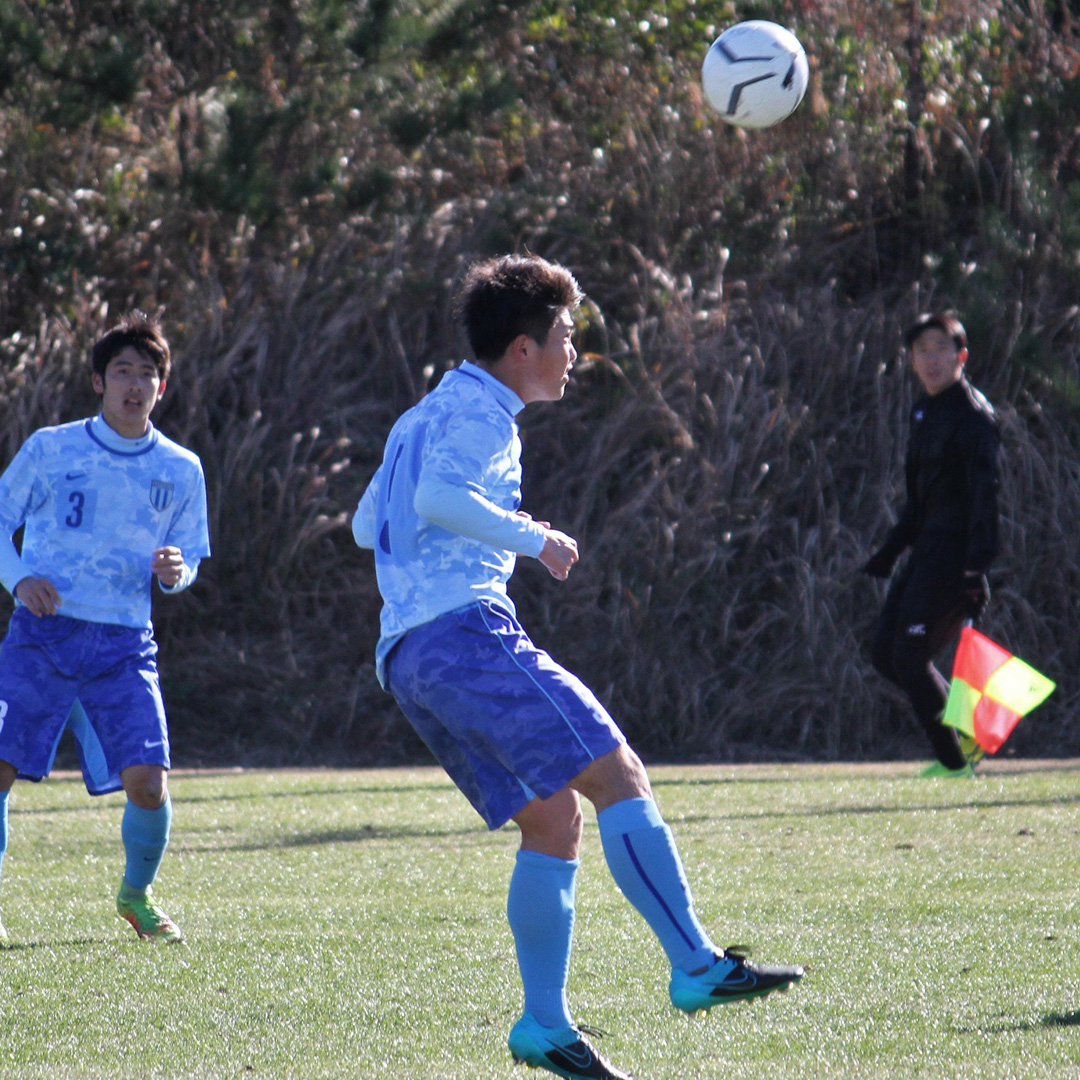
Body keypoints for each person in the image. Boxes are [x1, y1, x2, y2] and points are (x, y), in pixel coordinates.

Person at [352, 254, 803, 1080]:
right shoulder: (485, 418)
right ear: (521, 347)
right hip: (464, 635)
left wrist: (468, 537)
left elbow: (364, 523)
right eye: (565, 335)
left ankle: (544, 1027)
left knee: (554, 820)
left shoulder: (422, 414)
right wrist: (535, 537)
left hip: (408, 656)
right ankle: (698, 966)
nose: (573, 352)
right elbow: (434, 503)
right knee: (618, 773)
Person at [0, 312, 210, 945]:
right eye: (123, 370)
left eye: (148, 374)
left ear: (161, 390)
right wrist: (18, 580)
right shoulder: (51, 448)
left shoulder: (181, 469)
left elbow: (189, 560)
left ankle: (136, 895)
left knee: (148, 783)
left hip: (123, 646)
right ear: (99, 381)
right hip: (42, 634)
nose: (135, 383)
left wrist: (177, 573)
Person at [862, 311, 1000, 778]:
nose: (931, 358)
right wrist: (890, 550)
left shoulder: (974, 416)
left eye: (941, 348)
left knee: (909, 654)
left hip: (956, 554)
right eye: (922, 350)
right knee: (884, 652)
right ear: (912, 361)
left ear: (961, 356)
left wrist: (976, 566)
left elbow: (986, 496)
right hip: (925, 550)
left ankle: (956, 762)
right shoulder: (924, 410)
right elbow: (921, 499)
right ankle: (967, 735)